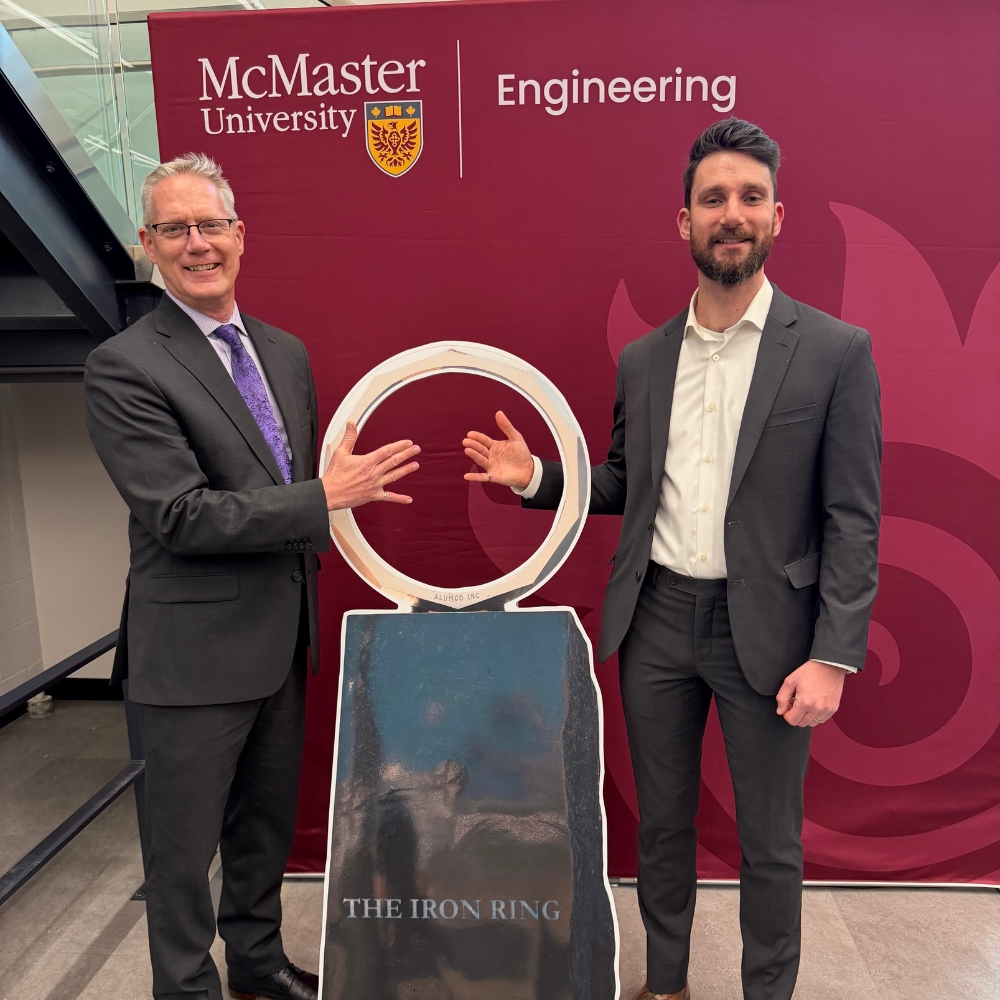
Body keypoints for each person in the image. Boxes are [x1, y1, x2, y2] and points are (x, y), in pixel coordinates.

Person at [462, 118, 881, 1000]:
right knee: (663, 828)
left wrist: (835, 652)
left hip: (772, 630)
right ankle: (668, 983)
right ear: (683, 222)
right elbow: (627, 482)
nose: (733, 213)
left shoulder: (838, 353)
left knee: (770, 841)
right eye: (714, 198)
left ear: (777, 217)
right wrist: (537, 476)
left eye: (750, 197)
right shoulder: (646, 358)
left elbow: (853, 518)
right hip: (655, 620)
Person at [85, 153, 420, 1000]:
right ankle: (187, 987)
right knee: (181, 849)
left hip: (281, 644)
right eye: (175, 229)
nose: (197, 244)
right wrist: (322, 493)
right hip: (191, 658)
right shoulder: (124, 366)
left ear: (241, 236)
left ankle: (258, 967)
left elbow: (286, 488)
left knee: (262, 833)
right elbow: (182, 517)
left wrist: (321, 484)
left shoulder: (284, 352)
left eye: (211, 226)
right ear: (147, 246)